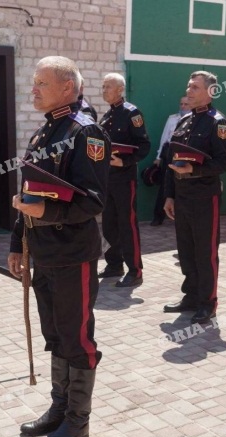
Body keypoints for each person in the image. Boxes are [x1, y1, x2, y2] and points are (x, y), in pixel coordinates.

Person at [8, 56, 109, 437]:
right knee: (55, 334)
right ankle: (59, 409)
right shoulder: (43, 132)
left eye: (41, 83)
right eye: (34, 83)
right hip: (43, 252)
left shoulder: (87, 132)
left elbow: (93, 201)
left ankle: (77, 423)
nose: (33, 89)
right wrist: (17, 243)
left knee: (76, 338)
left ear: (68, 87)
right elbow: (27, 194)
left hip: (72, 254)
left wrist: (46, 213)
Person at [162, 71, 226, 325]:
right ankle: (191, 296)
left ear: (210, 91)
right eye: (188, 86)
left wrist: (194, 170)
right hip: (182, 196)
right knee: (186, 250)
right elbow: (172, 160)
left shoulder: (218, 123)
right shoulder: (184, 121)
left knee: (205, 251)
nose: (188, 91)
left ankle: (207, 303)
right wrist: (169, 196)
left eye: (194, 87)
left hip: (204, 197)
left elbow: (221, 164)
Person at [97, 72, 151, 287]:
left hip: (124, 178)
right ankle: (114, 264)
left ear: (120, 89)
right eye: (103, 86)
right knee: (109, 223)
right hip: (107, 178)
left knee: (127, 224)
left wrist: (125, 161)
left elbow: (144, 145)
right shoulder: (107, 116)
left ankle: (135, 270)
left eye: (107, 87)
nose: (104, 90)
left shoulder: (132, 113)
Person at [151, 96, 191, 226]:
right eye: (181, 104)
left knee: (184, 184)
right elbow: (164, 138)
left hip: (186, 154)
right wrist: (158, 157)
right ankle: (158, 216)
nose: (183, 106)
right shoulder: (173, 118)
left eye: (186, 104)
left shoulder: (194, 119)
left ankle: (182, 217)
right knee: (165, 184)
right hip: (170, 152)